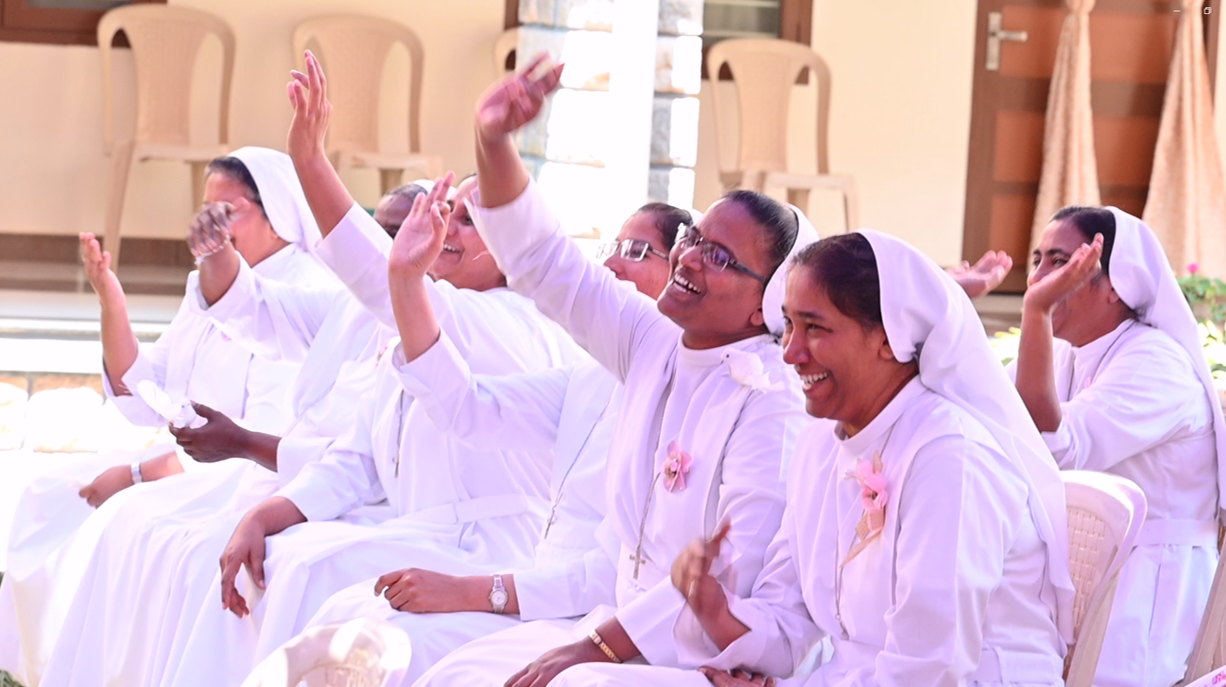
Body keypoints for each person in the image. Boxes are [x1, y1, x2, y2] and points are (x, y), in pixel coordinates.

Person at [154, 51, 584, 687]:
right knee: (276, 555)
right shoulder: (418, 324)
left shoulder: (511, 321)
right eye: (449, 212)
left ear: (512, 250)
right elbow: (358, 458)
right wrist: (267, 515)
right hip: (426, 533)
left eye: (472, 221)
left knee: (305, 573)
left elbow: (382, 278)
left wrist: (311, 162)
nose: (450, 228)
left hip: (488, 549)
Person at [414, 54, 811, 687]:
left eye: (719, 256)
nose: (689, 258)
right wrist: (493, 141)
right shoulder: (653, 340)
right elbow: (549, 265)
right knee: (455, 673)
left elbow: (724, 579)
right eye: (692, 239)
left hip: (701, 656)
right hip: (618, 630)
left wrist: (590, 649)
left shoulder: (769, 399)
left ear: (765, 303)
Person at [571, 230, 1074, 687]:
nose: (790, 352)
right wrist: (714, 609)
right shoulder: (819, 445)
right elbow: (789, 621)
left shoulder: (950, 457)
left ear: (889, 338)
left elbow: (931, 669)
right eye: (789, 325)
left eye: (815, 328)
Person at [33, 182, 425, 687]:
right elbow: (254, 310)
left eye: (395, 232)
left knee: (221, 560)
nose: (380, 245)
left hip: (350, 498)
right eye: (376, 230)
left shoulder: (436, 321)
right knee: (137, 525)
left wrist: (153, 468)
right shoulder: (350, 306)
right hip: (292, 478)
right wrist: (208, 256)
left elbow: (368, 465)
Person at [287, 199, 691, 684]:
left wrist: (472, 591)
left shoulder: (684, 396)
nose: (613, 264)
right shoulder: (588, 377)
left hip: (596, 617)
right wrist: (406, 280)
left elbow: (611, 573)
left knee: (409, 651)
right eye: (613, 248)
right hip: (544, 598)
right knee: (357, 622)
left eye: (637, 251)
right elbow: (468, 407)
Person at [0, 147, 329, 687]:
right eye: (205, 212)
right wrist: (112, 305)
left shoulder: (305, 292)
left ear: (278, 216)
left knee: (127, 524)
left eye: (226, 213)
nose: (210, 226)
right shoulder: (210, 283)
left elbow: (264, 444)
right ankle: (44, 664)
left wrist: (136, 476)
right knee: (48, 493)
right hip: (191, 461)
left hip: (243, 478)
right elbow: (146, 391)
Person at [1013, 206, 1225, 687]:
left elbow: (1057, 451)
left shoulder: (1157, 363)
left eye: (1061, 262)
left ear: (1116, 283)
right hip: (1082, 577)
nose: (1039, 278)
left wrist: (1036, 312)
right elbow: (985, 411)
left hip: (1149, 591)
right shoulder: (1067, 353)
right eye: (1038, 260)